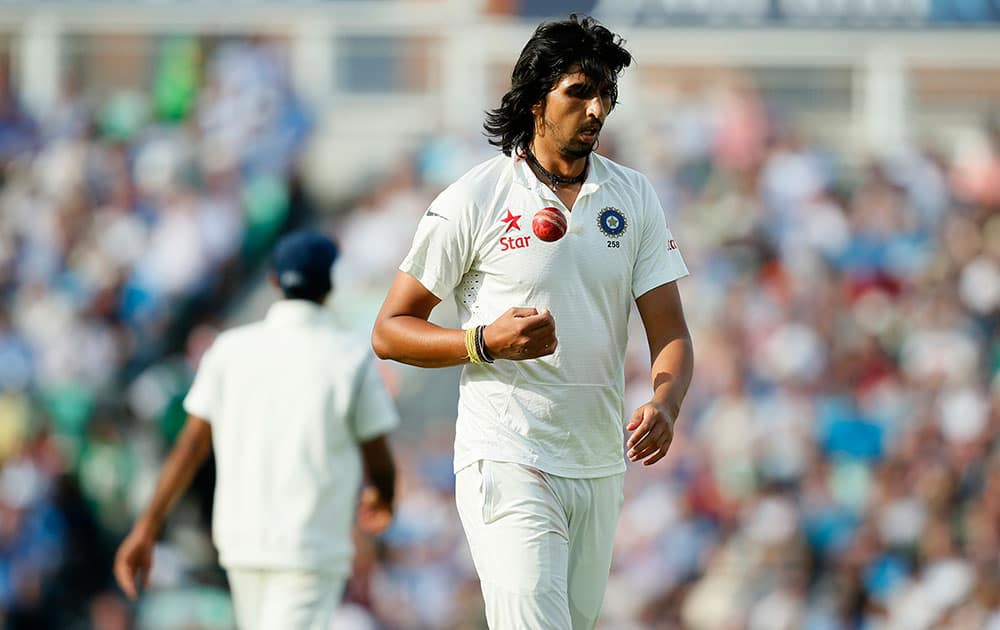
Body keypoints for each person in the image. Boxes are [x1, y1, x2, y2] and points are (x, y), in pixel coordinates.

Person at [371, 14, 693, 630]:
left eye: (606, 95)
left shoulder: (634, 196)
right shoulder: (476, 197)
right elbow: (389, 330)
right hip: (508, 455)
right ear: (535, 98)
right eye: (580, 91)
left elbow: (671, 332)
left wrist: (668, 403)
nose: (597, 109)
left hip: (598, 461)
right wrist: (484, 342)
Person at [114, 230, 399, 630]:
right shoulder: (350, 357)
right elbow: (379, 457)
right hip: (310, 544)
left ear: (273, 282)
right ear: (330, 285)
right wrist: (381, 496)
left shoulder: (229, 349)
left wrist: (146, 529)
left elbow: (189, 447)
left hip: (241, 542)